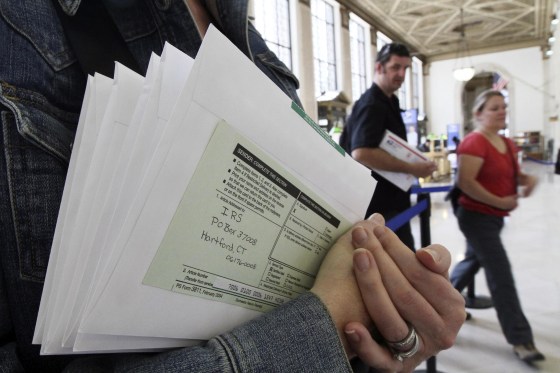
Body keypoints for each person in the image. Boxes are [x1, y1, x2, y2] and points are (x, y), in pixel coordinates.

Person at [0, 1, 464, 371]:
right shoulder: (21, 26)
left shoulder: (250, 38)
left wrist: (385, 308)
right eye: (398, 68)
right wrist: (323, 331)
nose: (402, 77)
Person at [449, 89, 543, 363]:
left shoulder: (507, 143)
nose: (501, 111)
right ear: (478, 114)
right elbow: (466, 183)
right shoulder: (473, 142)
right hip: (476, 217)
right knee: (500, 273)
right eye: (493, 108)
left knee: (472, 261)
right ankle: (521, 339)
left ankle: (443, 301)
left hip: (495, 216)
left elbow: (512, 175)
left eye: (503, 107)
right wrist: (500, 202)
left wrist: (528, 180)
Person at [339, 43, 436, 251]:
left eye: (405, 68)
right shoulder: (372, 103)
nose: (401, 74)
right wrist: (413, 168)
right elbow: (362, 152)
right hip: (378, 208)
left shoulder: (389, 100)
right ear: (379, 68)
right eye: (395, 67)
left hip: (392, 204)